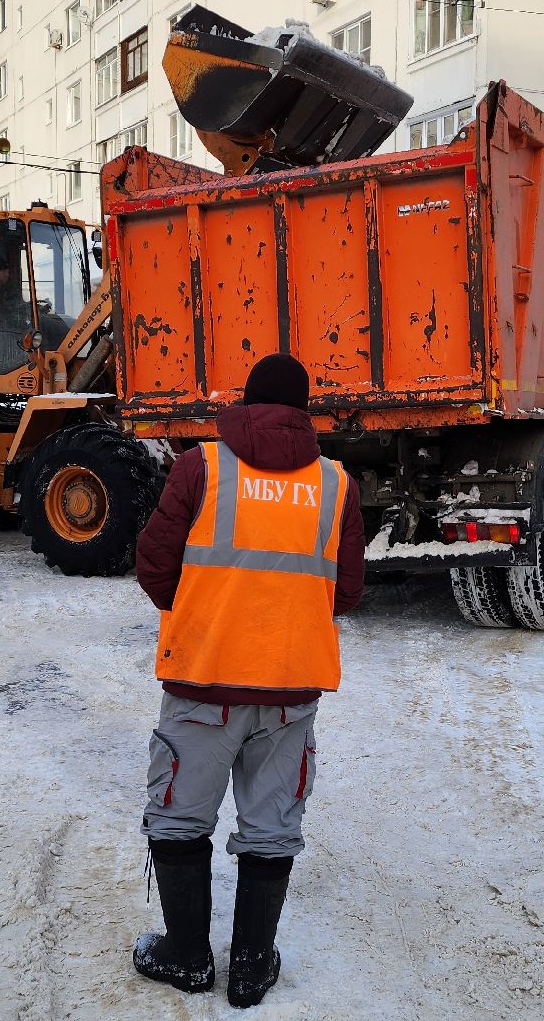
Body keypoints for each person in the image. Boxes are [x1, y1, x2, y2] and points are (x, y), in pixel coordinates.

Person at [130, 353, 366, 1008]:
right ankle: (254, 967)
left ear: (246, 403)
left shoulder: (200, 467)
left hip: (203, 684)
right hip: (291, 691)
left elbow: (153, 564)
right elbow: (345, 591)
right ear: (303, 412)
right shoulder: (337, 484)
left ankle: (186, 958)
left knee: (179, 820)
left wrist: (208, 614)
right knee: (272, 827)